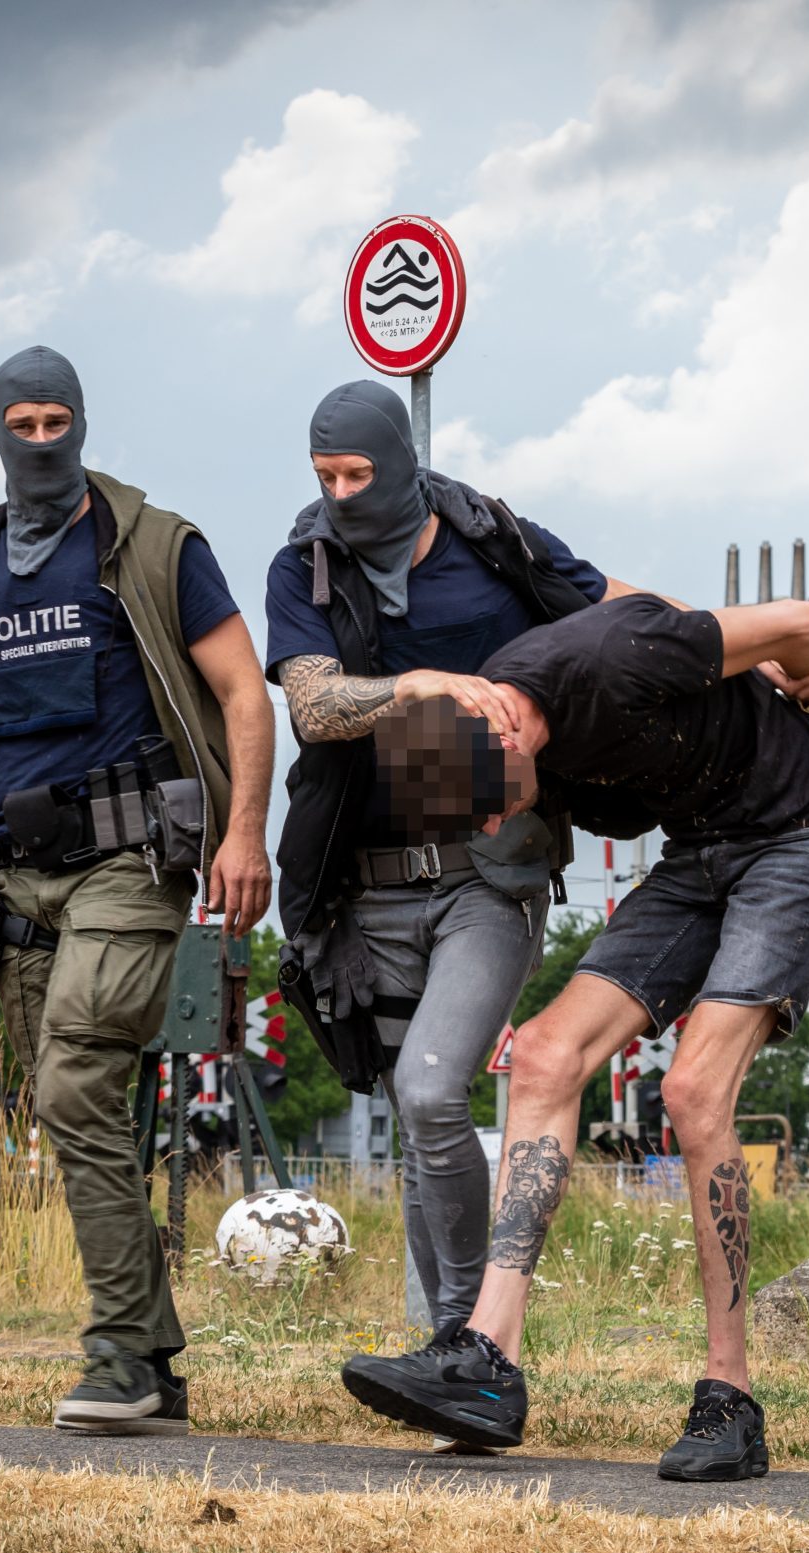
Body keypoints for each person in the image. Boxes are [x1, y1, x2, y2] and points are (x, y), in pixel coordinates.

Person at [0, 345, 274, 1436]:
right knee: (71, 1108)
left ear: (83, 424)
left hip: (133, 860)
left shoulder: (154, 546)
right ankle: (157, 1357)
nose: (41, 443)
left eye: (56, 422)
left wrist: (247, 831)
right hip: (14, 882)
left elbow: (241, 690)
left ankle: (117, 1356)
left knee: (76, 1082)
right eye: (22, 425)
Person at [338, 592, 809, 1482]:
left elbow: (803, 622)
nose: (497, 827)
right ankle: (488, 1365)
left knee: (694, 1091)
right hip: (700, 855)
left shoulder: (619, 655)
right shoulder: (484, 738)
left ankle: (730, 1400)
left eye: (493, 807)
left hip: (797, 834)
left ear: (509, 732)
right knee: (543, 1051)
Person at [264, 381, 652, 1397]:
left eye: (359, 475)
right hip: (368, 885)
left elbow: (616, 610)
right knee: (411, 1117)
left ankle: (470, 1346)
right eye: (326, 478)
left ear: (401, 464)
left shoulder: (491, 539)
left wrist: (736, 653)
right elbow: (310, 706)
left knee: (434, 1088)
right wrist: (422, 684)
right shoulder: (302, 565)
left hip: (490, 873)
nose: (344, 494)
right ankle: (454, 1354)